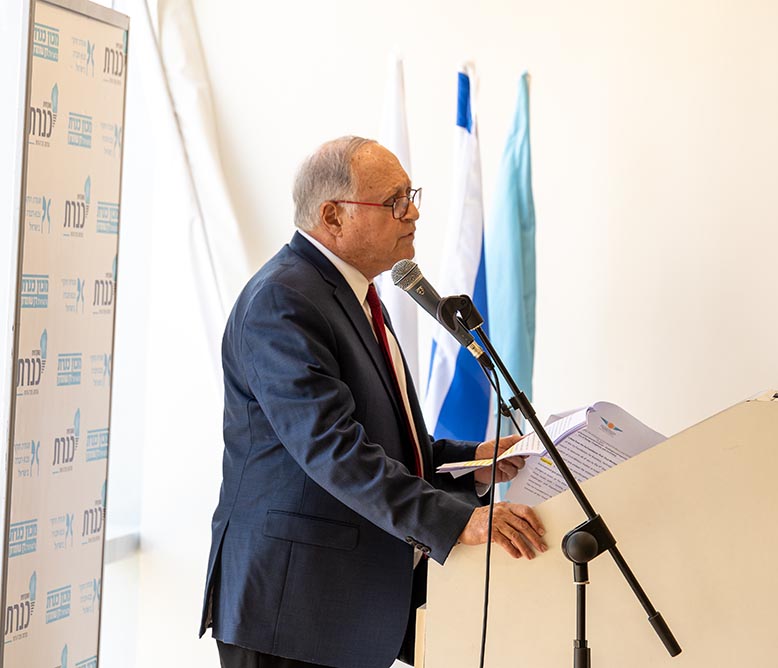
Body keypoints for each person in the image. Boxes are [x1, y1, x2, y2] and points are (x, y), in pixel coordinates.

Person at [199, 136, 547, 668]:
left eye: (411, 196)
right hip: (289, 612)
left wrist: (472, 461)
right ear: (333, 216)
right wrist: (457, 522)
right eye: (394, 202)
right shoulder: (284, 300)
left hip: (338, 607)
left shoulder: (353, 292)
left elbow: (383, 439)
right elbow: (333, 450)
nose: (413, 213)